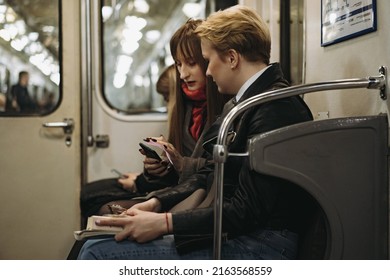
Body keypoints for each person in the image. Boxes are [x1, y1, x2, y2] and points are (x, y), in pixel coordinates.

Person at [77, 5, 314, 260]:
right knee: (98, 239)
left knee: (97, 253)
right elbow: (207, 175)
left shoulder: (274, 108)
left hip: (263, 243)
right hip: (240, 232)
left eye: (208, 61)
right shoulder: (244, 105)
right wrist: (155, 203)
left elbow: (247, 210)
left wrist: (165, 224)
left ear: (232, 58)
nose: (209, 71)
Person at [80, 19, 228, 219]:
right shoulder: (187, 107)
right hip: (181, 191)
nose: (183, 74)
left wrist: (180, 165)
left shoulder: (225, 109)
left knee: (102, 209)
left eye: (192, 63)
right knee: (90, 196)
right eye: (178, 64)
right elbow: (176, 173)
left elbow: (217, 172)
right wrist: (158, 170)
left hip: (195, 200)